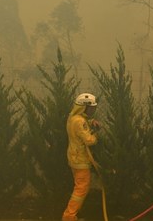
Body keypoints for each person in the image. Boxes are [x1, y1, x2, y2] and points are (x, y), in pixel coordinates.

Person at [62, 93, 101, 221]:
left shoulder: (73, 117)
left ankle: (73, 214)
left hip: (74, 158)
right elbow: (89, 140)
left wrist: (90, 122)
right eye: (90, 109)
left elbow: (81, 124)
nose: (92, 111)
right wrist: (96, 134)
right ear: (83, 107)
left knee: (79, 186)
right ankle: (69, 216)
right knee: (81, 189)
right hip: (80, 160)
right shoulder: (79, 121)